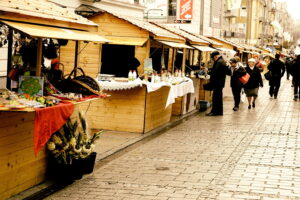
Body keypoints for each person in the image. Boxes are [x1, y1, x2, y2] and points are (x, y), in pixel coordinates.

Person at [206, 51, 227, 116]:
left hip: (218, 83)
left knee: (216, 98)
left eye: (213, 58)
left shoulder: (219, 62)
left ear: (215, 56)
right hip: (220, 83)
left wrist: (208, 71)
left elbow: (215, 72)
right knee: (218, 97)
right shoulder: (222, 61)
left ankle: (215, 112)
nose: (213, 59)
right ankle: (219, 112)